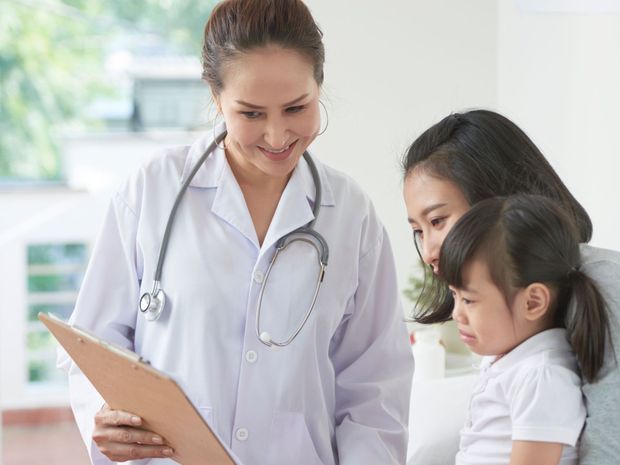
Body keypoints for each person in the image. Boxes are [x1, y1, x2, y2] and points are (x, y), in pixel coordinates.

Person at [58, 1, 414, 464]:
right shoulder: (152, 191)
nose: (276, 134)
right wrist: (102, 415)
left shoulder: (350, 215)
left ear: (319, 86)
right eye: (250, 113)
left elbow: (375, 388)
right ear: (215, 96)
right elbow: (93, 345)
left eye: (296, 108)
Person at [401, 109, 620, 465]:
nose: (427, 252)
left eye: (438, 221)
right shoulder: (510, 333)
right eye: (418, 231)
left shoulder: (606, 285)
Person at [440, 194, 609, 464]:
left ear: (533, 302)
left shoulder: (542, 377)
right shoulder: (509, 359)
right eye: (455, 296)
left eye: (469, 300)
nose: (456, 313)